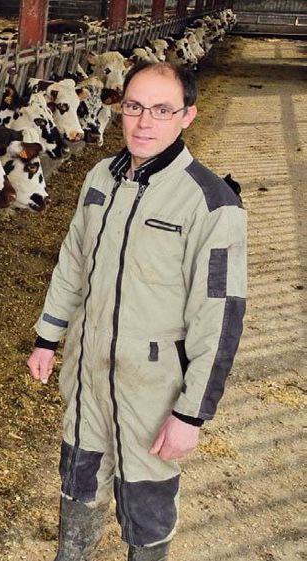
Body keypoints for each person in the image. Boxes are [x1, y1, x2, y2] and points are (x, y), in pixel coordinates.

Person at [26, 61, 247, 561]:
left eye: (162, 110)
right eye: (134, 107)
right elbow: (74, 259)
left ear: (188, 115)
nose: (145, 122)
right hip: (88, 370)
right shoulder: (100, 177)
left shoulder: (211, 203)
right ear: (120, 108)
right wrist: (48, 335)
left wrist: (191, 413)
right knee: (78, 478)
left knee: (145, 503)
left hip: (152, 385)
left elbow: (222, 315)